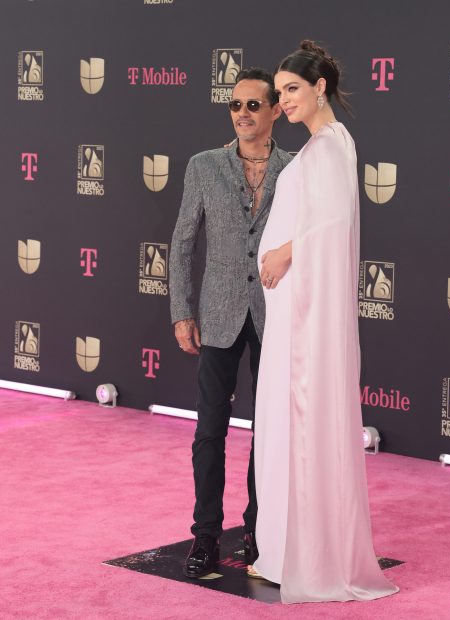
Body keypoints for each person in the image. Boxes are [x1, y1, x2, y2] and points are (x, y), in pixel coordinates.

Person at [248, 41, 399, 603]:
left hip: (308, 324)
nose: (282, 100)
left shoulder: (332, 146)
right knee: (285, 431)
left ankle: (311, 558)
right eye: (279, 91)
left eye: (292, 90)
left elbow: (332, 229)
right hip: (291, 315)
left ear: (320, 88)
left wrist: (286, 252)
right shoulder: (316, 147)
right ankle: (286, 551)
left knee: (304, 426)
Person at [169, 67, 292, 578]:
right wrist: (182, 311)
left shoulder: (295, 169)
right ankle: (206, 536)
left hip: (276, 313)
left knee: (270, 432)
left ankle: (261, 533)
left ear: (276, 111)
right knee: (210, 431)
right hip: (218, 313)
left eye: (253, 105)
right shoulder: (203, 166)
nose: (242, 113)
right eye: (234, 105)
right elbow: (181, 242)